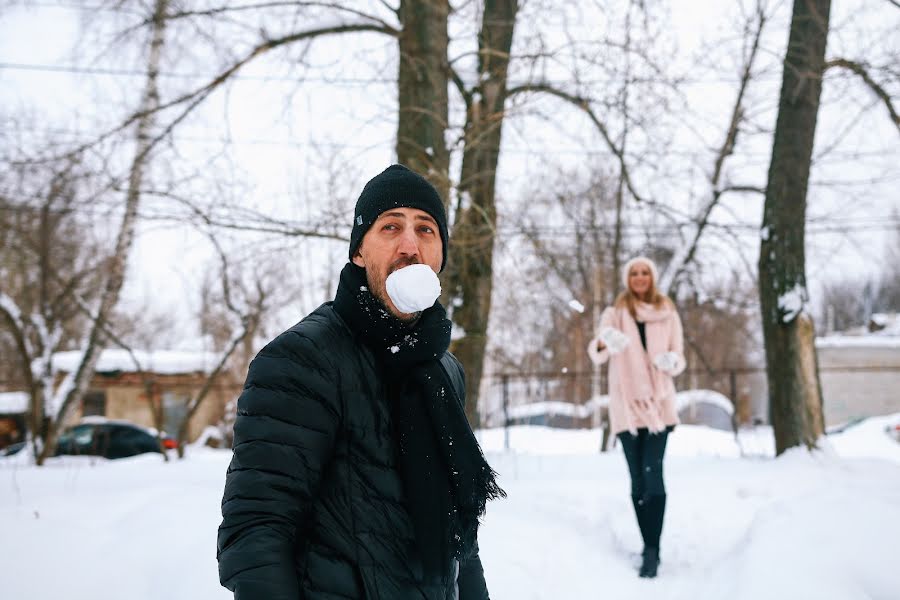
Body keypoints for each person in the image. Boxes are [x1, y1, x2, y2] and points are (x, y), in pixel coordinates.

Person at [217, 164, 504, 600]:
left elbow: (459, 535)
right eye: (391, 226)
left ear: (440, 256)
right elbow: (258, 530)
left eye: (426, 230)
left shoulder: (444, 369)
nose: (410, 245)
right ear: (358, 252)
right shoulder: (301, 358)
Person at [587, 256, 685, 579]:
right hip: (627, 409)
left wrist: (670, 361)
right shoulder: (615, 313)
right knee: (638, 481)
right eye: (634, 273)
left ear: (652, 277)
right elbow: (597, 349)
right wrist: (606, 340)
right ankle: (647, 544)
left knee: (653, 475)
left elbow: (679, 358)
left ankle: (652, 550)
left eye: (645, 272)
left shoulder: (667, 313)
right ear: (628, 278)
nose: (640, 277)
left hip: (658, 407)